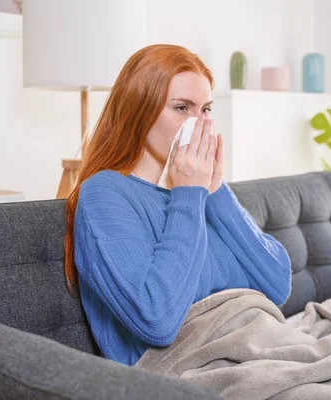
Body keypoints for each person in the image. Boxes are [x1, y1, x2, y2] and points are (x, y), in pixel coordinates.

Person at [63, 44, 292, 367]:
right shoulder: (105, 192)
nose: (199, 124)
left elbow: (278, 285)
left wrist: (214, 191)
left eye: (206, 110)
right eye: (182, 108)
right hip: (189, 374)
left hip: (268, 351)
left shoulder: (199, 195)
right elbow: (157, 320)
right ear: (137, 111)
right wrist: (189, 194)